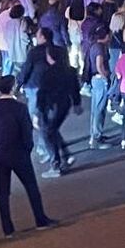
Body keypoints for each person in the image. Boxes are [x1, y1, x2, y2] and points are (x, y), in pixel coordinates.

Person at [0, 75, 54, 237]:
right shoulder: (20, 108)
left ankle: (8, 229)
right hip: (18, 153)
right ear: (13, 88)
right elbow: (27, 133)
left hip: (0, 154)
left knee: (3, 192)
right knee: (31, 187)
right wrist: (27, 149)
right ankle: (40, 220)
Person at [36, 45, 81, 178]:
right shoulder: (70, 71)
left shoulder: (47, 73)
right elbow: (75, 89)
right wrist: (77, 103)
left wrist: (38, 111)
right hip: (64, 104)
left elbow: (42, 93)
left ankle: (55, 164)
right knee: (53, 130)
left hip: (51, 106)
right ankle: (66, 156)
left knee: (47, 132)